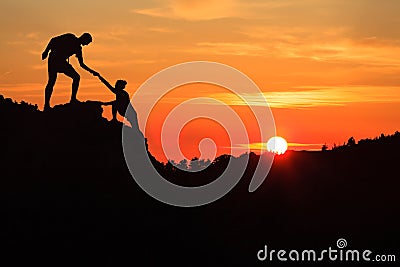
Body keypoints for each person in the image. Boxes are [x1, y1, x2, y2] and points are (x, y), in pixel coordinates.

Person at [42, 32, 98, 110]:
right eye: (87, 42)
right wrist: (46, 51)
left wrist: (92, 71)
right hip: (54, 59)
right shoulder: (70, 37)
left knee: (76, 77)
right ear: (84, 39)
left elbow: (81, 64)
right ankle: (46, 105)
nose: (87, 44)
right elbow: (53, 40)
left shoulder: (78, 49)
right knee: (51, 81)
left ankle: (73, 100)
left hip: (62, 62)